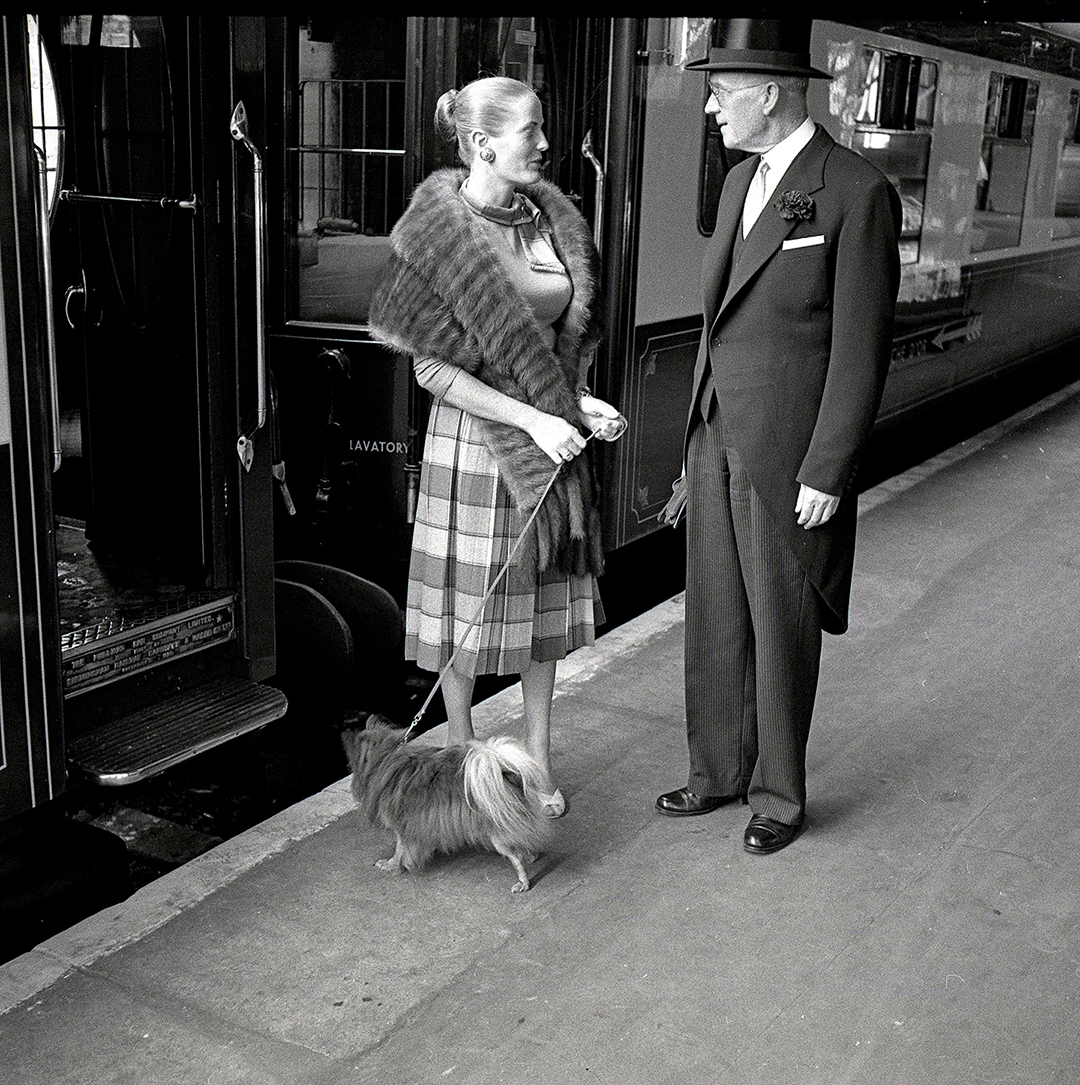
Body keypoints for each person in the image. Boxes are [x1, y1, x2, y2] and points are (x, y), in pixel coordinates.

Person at [656, 20, 901, 853]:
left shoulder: (854, 190)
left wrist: (830, 465)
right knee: (716, 614)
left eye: (722, 91)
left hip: (792, 452)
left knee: (780, 623)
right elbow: (720, 322)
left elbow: (862, 347)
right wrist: (692, 436)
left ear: (769, 93)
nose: (713, 108)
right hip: (715, 431)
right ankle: (717, 769)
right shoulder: (735, 186)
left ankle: (780, 795)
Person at [368, 76, 624, 818]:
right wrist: (534, 420)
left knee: (541, 605)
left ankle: (538, 762)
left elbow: (554, 342)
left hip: (548, 432)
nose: (546, 143)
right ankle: (462, 760)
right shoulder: (441, 233)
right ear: (482, 143)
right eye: (531, 131)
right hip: (478, 443)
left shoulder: (545, 221)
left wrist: (577, 404)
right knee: (465, 619)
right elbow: (432, 368)